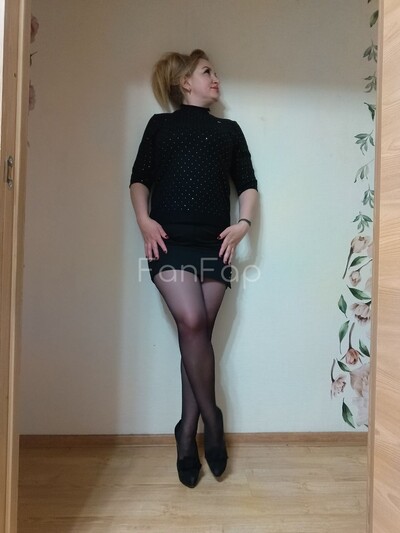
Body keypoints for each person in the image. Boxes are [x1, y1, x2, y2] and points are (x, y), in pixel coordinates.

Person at [129, 49, 258, 488]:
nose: (215, 78)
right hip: (168, 241)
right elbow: (139, 179)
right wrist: (144, 221)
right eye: (207, 72)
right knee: (193, 321)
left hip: (214, 244)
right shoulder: (160, 125)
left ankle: (186, 432)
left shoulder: (229, 130)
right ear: (185, 82)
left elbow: (248, 185)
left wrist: (243, 225)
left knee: (196, 335)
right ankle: (212, 420)